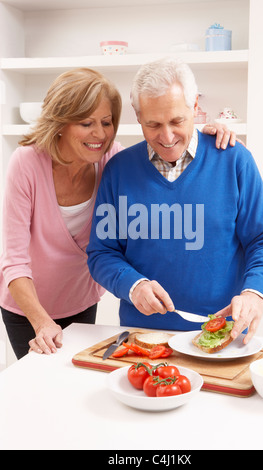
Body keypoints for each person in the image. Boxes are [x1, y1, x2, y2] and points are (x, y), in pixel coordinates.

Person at [0, 67, 234, 359]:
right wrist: (41, 321)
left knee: (74, 383)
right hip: (27, 308)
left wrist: (208, 134)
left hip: (80, 301)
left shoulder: (111, 160)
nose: (99, 134)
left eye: (106, 122)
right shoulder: (26, 163)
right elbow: (13, 262)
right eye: (86, 123)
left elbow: (161, 149)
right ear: (60, 123)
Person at [87, 58, 263, 344]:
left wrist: (255, 293)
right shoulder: (118, 171)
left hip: (223, 338)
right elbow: (102, 253)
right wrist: (133, 285)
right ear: (138, 115)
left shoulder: (233, 159)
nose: (166, 136)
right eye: (153, 124)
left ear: (195, 107)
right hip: (145, 339)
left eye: (177, 121)